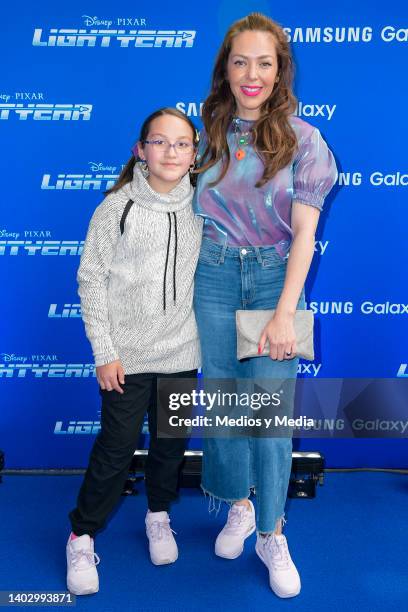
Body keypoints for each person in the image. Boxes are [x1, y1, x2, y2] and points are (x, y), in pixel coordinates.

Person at [193, 13, 337, 598]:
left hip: (275, 278)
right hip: (213, 274)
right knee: (225, 404)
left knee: (269, 416)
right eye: (240, 61)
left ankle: (272, 530)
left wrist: (284, 311)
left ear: (280, 73)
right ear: (225, 69)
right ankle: (238, 508)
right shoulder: (203, 132)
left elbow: (303, 235)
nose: (252, 74)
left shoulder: (304, 140)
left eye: (265, 62)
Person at [66, 108, 202, 595]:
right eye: (159, 142)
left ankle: (159, 515)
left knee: (169, 447)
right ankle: (82, 534)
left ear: (194, 153)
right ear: (140, 150)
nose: (170, 152)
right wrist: (104, 350)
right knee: (116, 449)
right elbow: (91, 280)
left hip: (182, 355)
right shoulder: (115, 208)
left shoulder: (203, 207)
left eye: (181, 143)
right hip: (125, 357)